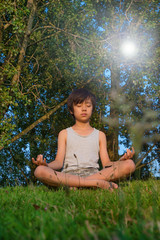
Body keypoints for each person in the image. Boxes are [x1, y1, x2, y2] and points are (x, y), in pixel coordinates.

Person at [32, 88, 135, 190]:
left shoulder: (100, 135)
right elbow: (58, 162)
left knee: (129, 164)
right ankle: (94, 184)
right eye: (79, 106)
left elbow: (106, 164)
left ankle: (81, 184)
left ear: (92, 108)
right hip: (69, 176)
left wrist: (120, 161)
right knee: (40, 171)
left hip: (95, 174)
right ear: (71, 110)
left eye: (88, 105)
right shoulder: (64, 133)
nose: (84, 109)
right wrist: (46, 165)